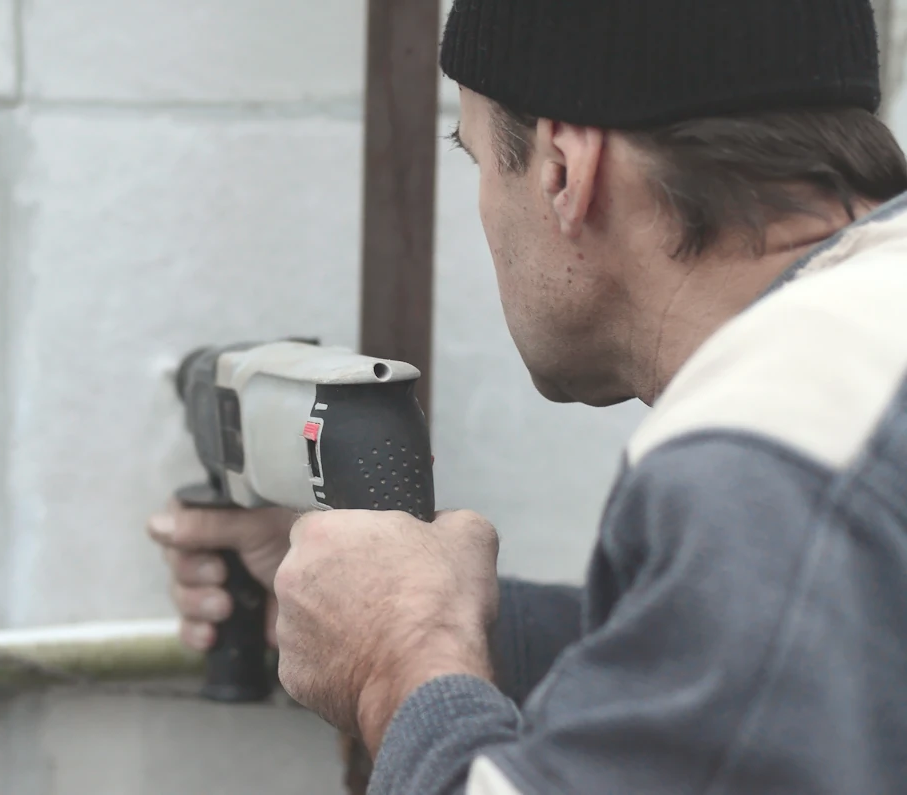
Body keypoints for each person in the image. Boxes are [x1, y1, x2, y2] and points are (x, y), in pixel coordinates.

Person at [149, 0, 907, 792]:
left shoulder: (774, 455)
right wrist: (409, 608)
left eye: (478, 159)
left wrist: (398, 657)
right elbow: (754, 686)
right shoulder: (853, 394)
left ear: (563, 171)